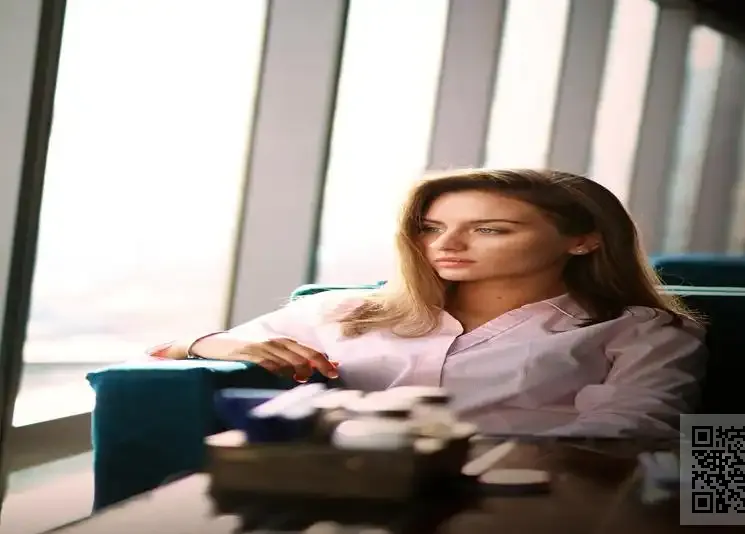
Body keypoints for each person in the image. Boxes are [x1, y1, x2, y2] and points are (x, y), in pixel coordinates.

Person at [151, 168, 707, 438]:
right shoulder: (343, 311)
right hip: (348, 493)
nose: (447, 244)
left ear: (583, 240)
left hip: (533, 497)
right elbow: (167, 352)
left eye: (489, 229)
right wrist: (217, 344)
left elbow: (634, 426)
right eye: (432, 227)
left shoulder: (641, 329)